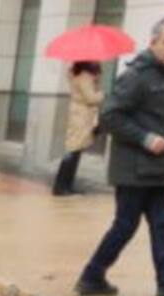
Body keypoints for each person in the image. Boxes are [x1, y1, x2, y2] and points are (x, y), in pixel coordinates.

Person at [75, 16, 164, 296]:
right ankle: (92, 276)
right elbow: (109, 116)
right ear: (153, 42)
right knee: (125, 225)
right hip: (133, 168)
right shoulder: (136, 75)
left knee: (161, 221)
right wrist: (146, 138)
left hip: (161, 168)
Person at [53, 61, 103, 196]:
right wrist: (101, 93)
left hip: (77, 114)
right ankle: (62, 187)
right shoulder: (85, 77)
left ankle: (64, 186)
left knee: (73, 150)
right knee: (73, 151)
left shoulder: (74, 73)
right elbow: (91, 99)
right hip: (82, 117)